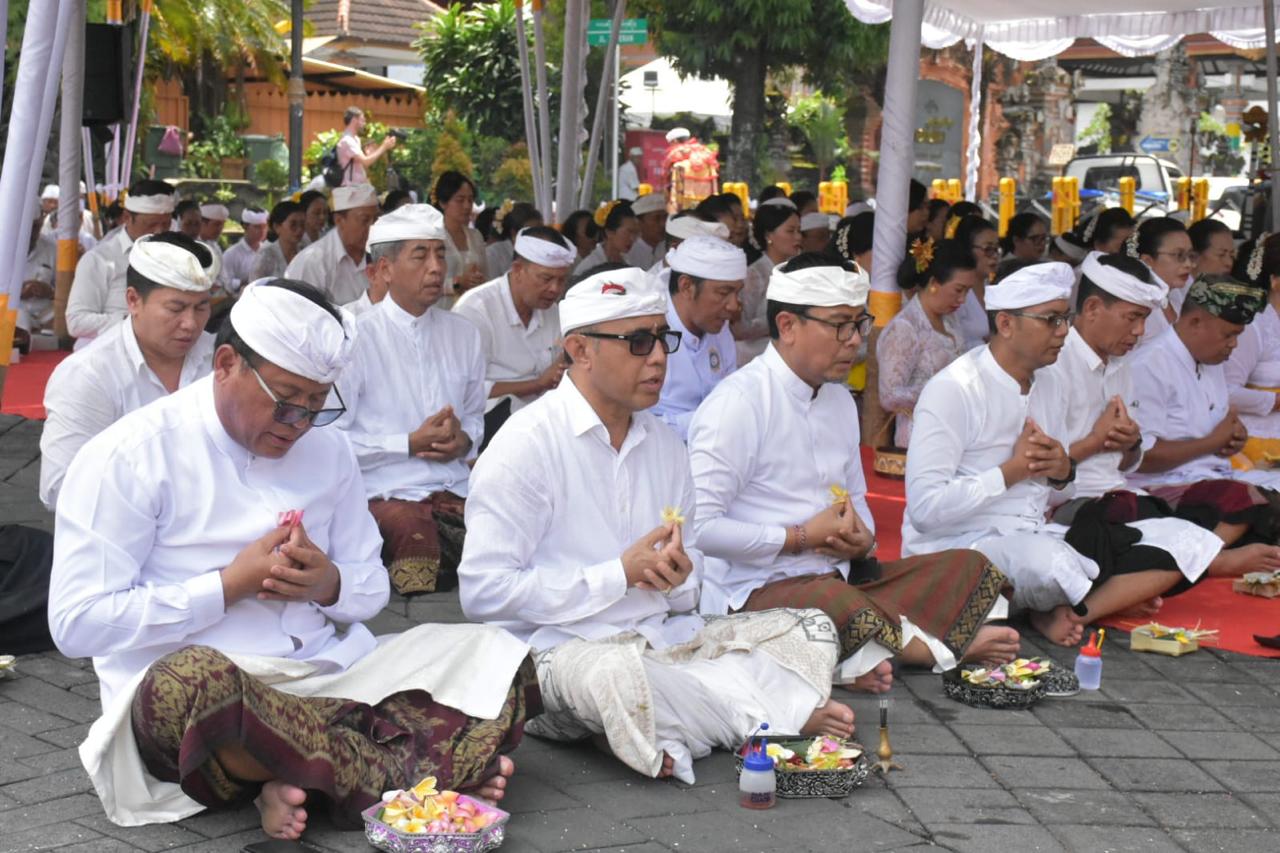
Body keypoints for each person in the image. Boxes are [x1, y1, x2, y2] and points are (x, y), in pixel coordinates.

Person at [50, 278, 536, 839]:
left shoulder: (329, 448)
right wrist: (227, 587)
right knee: (187, 684)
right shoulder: (130, 455)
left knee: (498, 653)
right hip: (222, 696)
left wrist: (327, 584)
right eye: (285, 400)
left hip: (329, 678)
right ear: (226, 364)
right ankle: (426, 768)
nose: (300, 423)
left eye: (317, 403)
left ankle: (299, 773)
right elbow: (76, 623)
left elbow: (370, 587)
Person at [459, 266, 850, 785]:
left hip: (661, 641)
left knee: (810, 629)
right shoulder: (524, 444)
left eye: (663, 339)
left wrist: (676, 576)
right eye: (639, 342)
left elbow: (687, 592)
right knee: (612, 677)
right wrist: (618, 575)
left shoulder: (666, 445)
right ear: (579, 350)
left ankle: (648, 726)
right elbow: (483, 593)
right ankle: (768, 716)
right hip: (554, 653)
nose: (660, 357)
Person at [690, 255, 1018, 686]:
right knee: (828, 602)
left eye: (859, 324)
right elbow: (700, 529)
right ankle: (932, 649)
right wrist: (799, 537)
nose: (855, 341)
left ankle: (865, 650)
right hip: (756, 590)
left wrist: (862, 541)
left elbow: (857, 502)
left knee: (967, 566)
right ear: (787, 325)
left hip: (837, 578)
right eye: (840, 326)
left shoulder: (840, 400)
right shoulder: (738, 403)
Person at [904, 262, 1202, 645]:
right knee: (1052, 565)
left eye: (1065, 318)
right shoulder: (954, 389)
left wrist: (1062, 470)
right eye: (1050, 320)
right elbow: (925, 510)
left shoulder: (1048, 383)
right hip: (959, 548)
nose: (1063, 332)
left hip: (1035, 534)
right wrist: (1011, 472)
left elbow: (1056, 493)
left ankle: (1052, 605)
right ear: (1006, 324)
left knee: (1180, 539)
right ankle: (1075, 603)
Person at [1044, 253, 1269, 583]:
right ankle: (1210, 562)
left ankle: (1198, 560)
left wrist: (1130, 444)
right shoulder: (1053, 367)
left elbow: (1128, 462)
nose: (1140, 331)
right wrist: (1097, 441)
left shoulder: (1120, 367)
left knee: (1168, 527)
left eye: (1145, 319)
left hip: (1117, 493)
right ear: (1091, 308)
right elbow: (1042, 474)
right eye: (1133, 318)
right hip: (1070, 505)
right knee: (1154, 536)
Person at [336, 204, 486, 595]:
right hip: (386, 490)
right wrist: (407, 444)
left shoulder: (464, 334)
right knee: (413, 535)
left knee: (510, 525)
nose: (436, 268)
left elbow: (474, 417)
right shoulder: (353, 338)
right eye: (421, 256)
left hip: (456, 486)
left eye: (440, 255)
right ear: (385, 269)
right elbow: (331, 440)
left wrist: (463, 440)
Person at [41, 233, 218, 509]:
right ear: (133, 300)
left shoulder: (221, 358)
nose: (191, 323)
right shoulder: (88, 375)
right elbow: (61, 487)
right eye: (176, 308)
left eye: (201, 307)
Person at [1129, 274, 1280, 495]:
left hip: (1217, 478)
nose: (1234, 344)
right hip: (1166, 487)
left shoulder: (1211, 360)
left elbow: (1218, 433)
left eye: (1237, 335)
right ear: (1195, 322)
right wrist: (1212, 442)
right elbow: (1140, 457)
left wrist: (1233, 438)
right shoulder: (1148, 366)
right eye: (1228, 335)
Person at [454, 226, 575, 435]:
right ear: (518, 269)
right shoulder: (476, 309)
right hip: (486, 427)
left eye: (561, 280)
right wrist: (537, 384)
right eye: (546, 279)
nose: (555, 289)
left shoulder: (553, 311)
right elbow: (462, 390)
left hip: (543, 420)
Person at [879, 240, 978, 447]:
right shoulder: (906, 327)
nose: (962, 299)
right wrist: (944, 389)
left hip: (955, 430)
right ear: (933, 283)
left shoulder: (950, 319)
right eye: (958, 290)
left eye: (967, 291)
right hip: (920, 435)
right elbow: (889, 396)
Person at [651, 235, 745, 439]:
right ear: (686, 286)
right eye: (724, 293)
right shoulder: (649, 332)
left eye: (737, 293)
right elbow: (638, 425)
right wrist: (712, 419)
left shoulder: (720, 329)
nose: (733, 305)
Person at [67, 179, 174, 347]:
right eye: (151, 224)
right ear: (127, 218)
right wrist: (134, 322)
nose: (159, 231)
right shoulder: (99, 259)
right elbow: (77, 322)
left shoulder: (175, 256)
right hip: (106, 353)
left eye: (166, 224)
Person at [1226, 235, 1280, 463]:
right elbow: (1225, 392)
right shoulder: (1253, 326)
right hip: (1254, 444)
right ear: (1275, 281)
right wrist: (1275, 401)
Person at [285, 183, 378, 306]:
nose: (373, 227)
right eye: (364, 220)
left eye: (376, 219)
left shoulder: (380, 254)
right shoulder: (313, 261)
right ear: (339, 220)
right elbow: (303, 313)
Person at [735, 202, 801, 364]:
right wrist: (783, 320)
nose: (798, 237)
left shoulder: (797, 270)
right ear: (769, 235)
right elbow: (740, 328)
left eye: (799, 231)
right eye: (790, 231)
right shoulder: (754, 274)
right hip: (754, 358)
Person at [1133, 218, 1193, 347]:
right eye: (1179, 255)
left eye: (1190, 255)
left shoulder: (1178, 297)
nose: (1189, 264)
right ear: (1147, 261)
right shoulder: (1136, 308)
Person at [433, 171, 489, 302]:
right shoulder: (433, 237)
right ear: (443, 203)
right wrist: (458, 283)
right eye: (460, 200)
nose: (467, 206)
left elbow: (487, 275)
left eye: (470, 200)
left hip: (473, 308)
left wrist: (480, 280)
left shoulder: (476, 236)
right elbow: (423, 283)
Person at [951, 215, 999, 351]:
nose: (995, 255)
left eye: (996, 249)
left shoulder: (993, 289)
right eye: (988, 249)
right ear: (967, 250)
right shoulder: (955, 292)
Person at [20, 199, 57, 334]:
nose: (30, 233)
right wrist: (16, 293)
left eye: (35, 227)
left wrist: (49, 291)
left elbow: (67, 292)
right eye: (26, 228)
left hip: (46, 316)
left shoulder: (51, 248)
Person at [336, 106, 397, 186]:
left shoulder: (355, 139)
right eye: (362, 120)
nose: (364, 124)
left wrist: (370, 154)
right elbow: (366, 162)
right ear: (354, 120)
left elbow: (361, 165)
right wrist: (384, 147)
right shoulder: (347, 141)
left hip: (358, 187)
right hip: (350, 188)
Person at [575, 200, 639, 275]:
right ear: (609, 232)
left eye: (636, 233)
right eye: (629, 232)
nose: (633, 239)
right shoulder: (589, 266)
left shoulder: (629, 261)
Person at [252, 200, 306, 281]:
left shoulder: (305, 252)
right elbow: (255, 284)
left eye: (302, 224)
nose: (299, 230)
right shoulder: (266, 256)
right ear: (277, 227)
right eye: (293, 225)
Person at [485, 202, 542, 277]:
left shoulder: (542, 252)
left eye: (540, 231)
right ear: (514, 233)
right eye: (530, 232)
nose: (537, 236)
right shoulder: (493, 253)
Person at [221, 207, 268, 295]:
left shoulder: (268, 251)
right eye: (257, 227)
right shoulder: (231, 254)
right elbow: (226, 284)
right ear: (245, 226)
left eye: (264, 226)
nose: (262, 231)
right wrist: (247, 282)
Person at [625, 193, 669, 269]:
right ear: (639, 222)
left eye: (665, 217)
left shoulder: (668, 249)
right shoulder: (629, 250)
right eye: (656, 218)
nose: (663, 224)